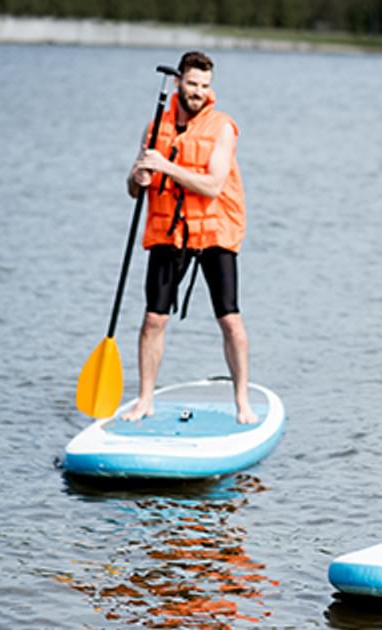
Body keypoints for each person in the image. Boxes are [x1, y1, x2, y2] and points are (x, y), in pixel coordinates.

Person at [122, 51, 257, 424]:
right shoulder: (154, 128)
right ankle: (145, 399)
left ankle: (242, 401)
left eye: (205, 86)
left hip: (214, 230)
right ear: (179, 80)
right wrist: (139, 177)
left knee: (230, 319)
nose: (198, 92)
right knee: (153, 319)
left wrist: (166, 166)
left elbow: (213, 184)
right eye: (192, 83)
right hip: (169, 231)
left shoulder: (223, 127)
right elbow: (134, 192)